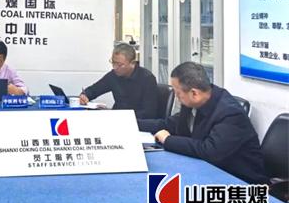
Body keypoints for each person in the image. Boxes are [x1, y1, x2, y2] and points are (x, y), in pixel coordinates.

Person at [138, 62, 268, 185]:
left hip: (239, 180)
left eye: (178, 93)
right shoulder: (194, 102)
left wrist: (167, 140)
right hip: (205, 170)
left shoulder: (230, 113)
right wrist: (133, 123)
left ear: (194, 93)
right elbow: (169, 124)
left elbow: (210, 151)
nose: (176, 98)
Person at [79, 43, 158, 119]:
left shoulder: (147, 79)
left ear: (132, 63)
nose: (115, 67)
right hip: (117, 118)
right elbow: (94, 90)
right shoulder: (113, 75)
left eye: (119, 65)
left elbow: (149, 112)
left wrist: (122, 116)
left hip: (137, 122)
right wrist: (85, 95)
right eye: (113, 63)